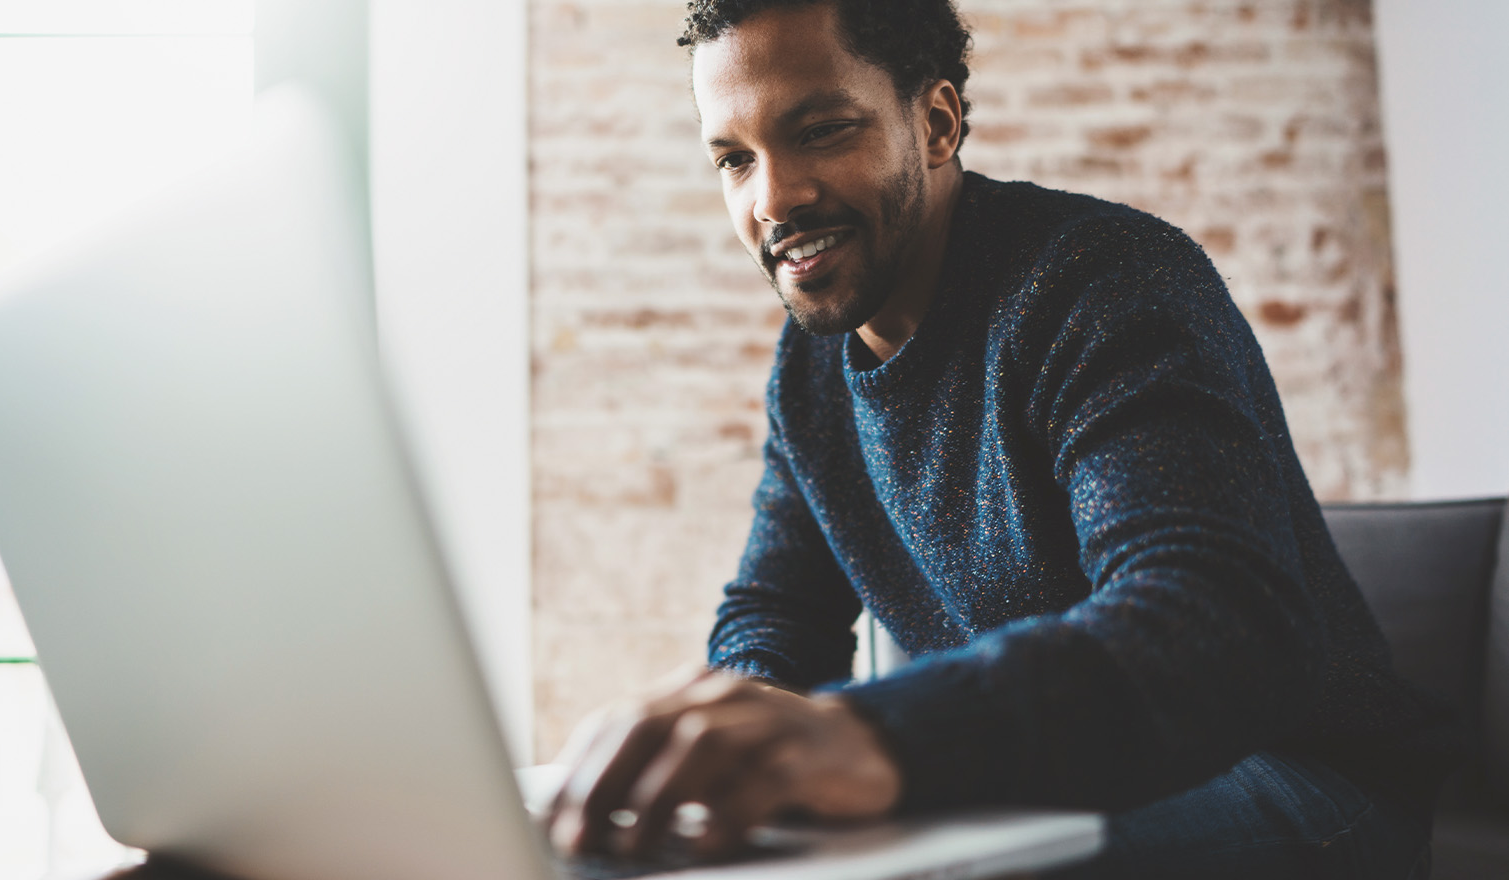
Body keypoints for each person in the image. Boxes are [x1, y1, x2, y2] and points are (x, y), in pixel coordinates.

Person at [547, 1, 1458, 876]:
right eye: (735, 160)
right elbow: (778, 612)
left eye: (821, 130)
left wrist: (871, 735)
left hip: (1305, 781)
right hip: (1053, 785)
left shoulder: (1100, 283)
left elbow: (1211, 626)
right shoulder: (811, 369)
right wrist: (743, 735)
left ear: (937, 123)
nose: (775, 198)